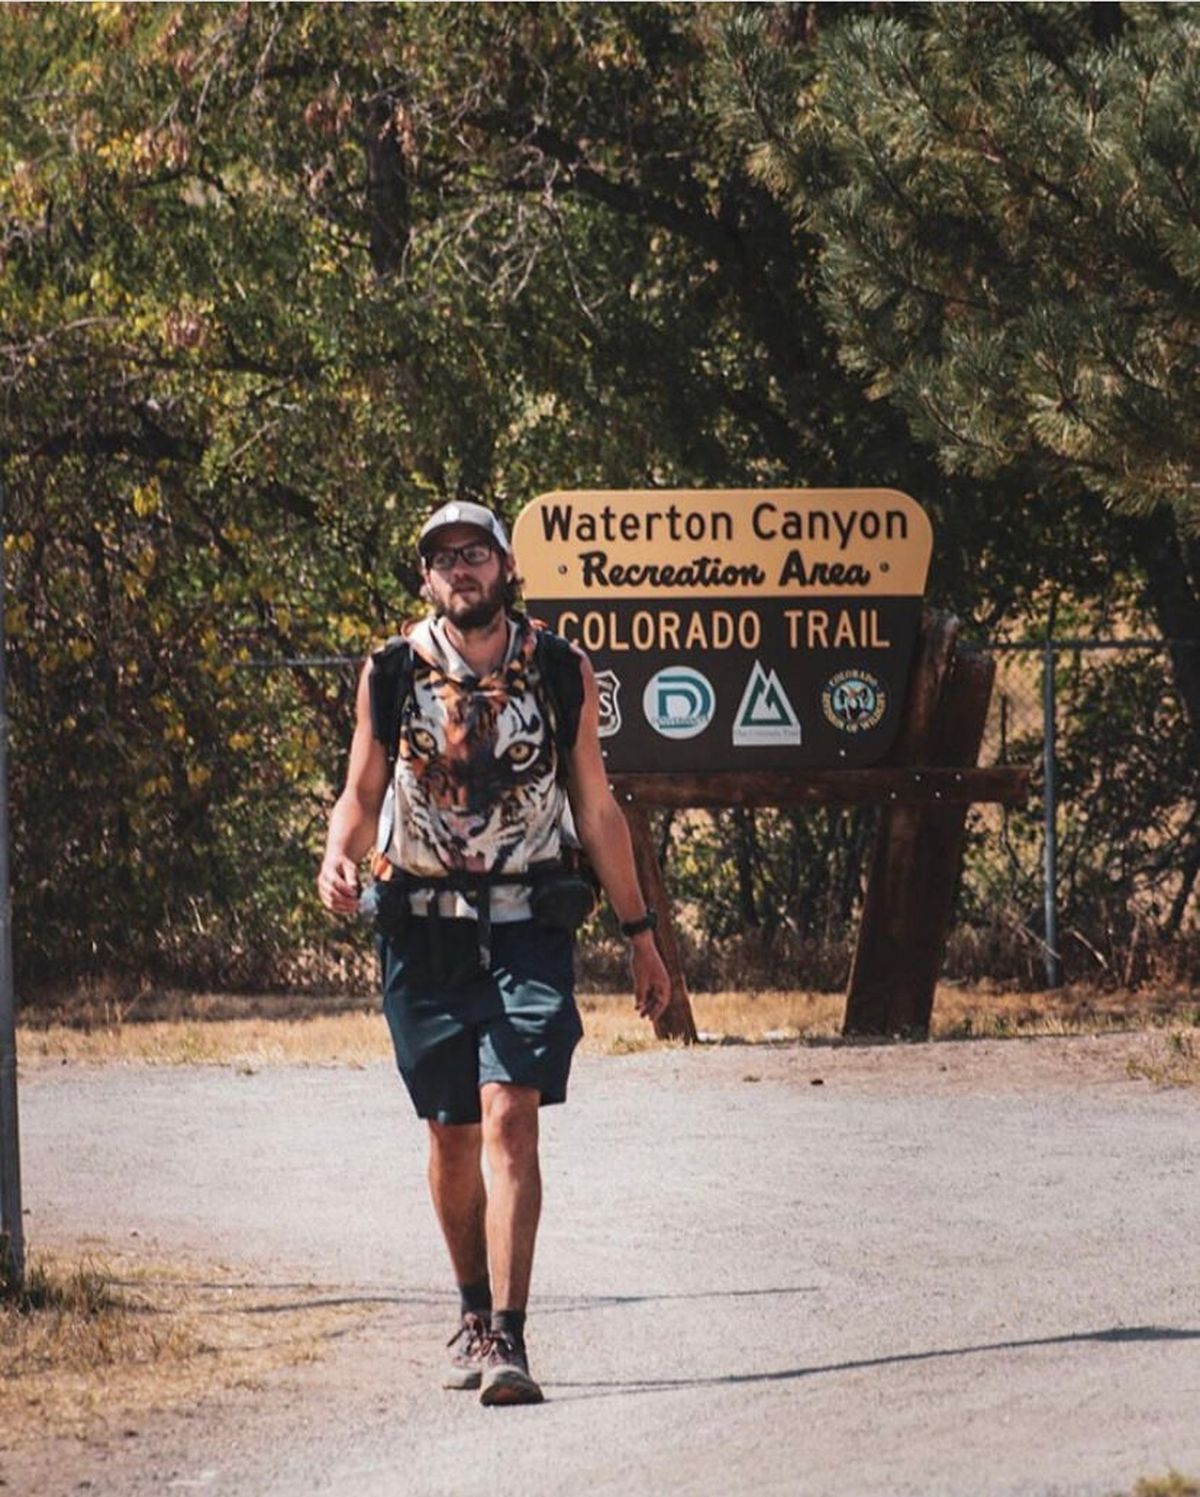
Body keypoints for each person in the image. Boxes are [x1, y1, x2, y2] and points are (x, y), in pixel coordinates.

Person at [317, 500, 670, 1407]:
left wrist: (642, 937)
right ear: (427, 578)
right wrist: (337, 854)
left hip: (526, 923)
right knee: (451, 1132)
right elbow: (360, 789)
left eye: (476, 554)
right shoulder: (392, 670)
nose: (461, 570)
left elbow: (595, 807)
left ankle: (509, 1336)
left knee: (511, 1112)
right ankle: (471, 1309)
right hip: (422, 926)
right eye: (444, 560)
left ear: (507, 566)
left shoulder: (558, 669)